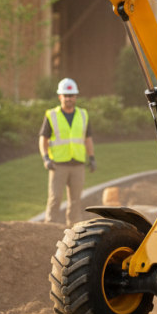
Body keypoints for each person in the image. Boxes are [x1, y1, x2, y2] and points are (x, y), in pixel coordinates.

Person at [39, 78, 96, 227]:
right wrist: (46, 158)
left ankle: (73, 228)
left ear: (75, 97)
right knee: (55, 197)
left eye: (71, 95)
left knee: (76, 199)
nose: (68, 98)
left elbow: (87, 138)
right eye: (66, 95)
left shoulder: (83, 115)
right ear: (60, 97)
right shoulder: (51, 115)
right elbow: (43, 139)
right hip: (58, 164)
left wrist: (92, 158)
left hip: (78, 163)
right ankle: (49, 227)